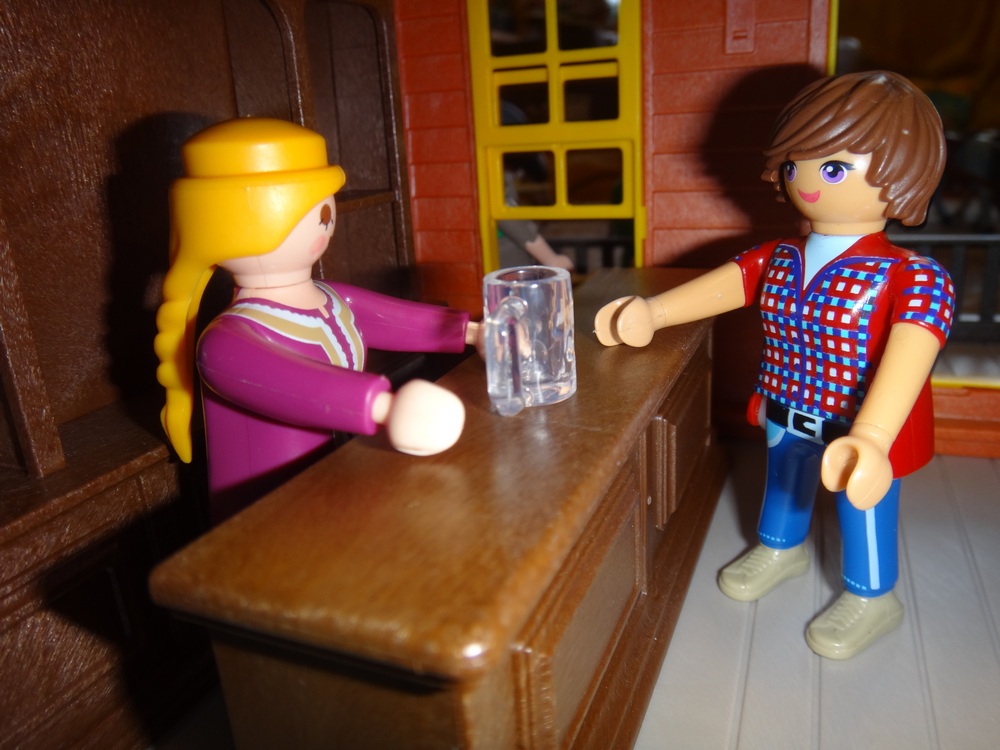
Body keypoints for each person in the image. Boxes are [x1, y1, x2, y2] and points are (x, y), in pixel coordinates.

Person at [594, 71, 956, 659]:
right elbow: (726, 284)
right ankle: (780, 549)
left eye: (831, 168)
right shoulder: (780, 256)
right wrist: (653, 313)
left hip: (859, 426)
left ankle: (871, 596)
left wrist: (872, 435)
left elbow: (912, 352)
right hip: (787, 405)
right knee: (783, 481)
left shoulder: (912, 276)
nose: (806, 181)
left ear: (902, 176)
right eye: (794, 164)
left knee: (863, 508)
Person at [154, 118, 478, 522]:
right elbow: (294, 381)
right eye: (306, 208)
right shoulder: (225, 344)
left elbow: (393, 318)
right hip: (267, 514)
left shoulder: (330, 299)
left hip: (331, 482)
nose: (324, 219)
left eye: (324, 205)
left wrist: (472, 332)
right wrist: (385, 408)